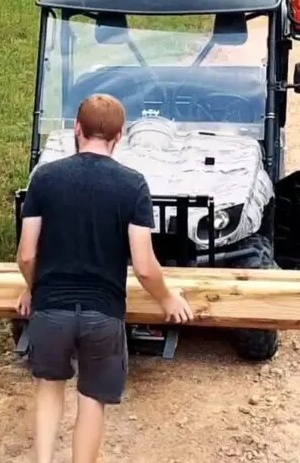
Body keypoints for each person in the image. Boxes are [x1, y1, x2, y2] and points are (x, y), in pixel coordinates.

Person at [14, 92, 194, 463]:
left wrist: (35, 290)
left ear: (76, 129)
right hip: (103, 314)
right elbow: (144, 265)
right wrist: (167, 299)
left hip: (50, 310)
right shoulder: (133, 186)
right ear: (120, 135)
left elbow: (27, 253)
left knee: (49, 387)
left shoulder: (44, 179)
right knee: (92, 399)